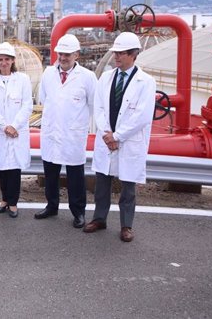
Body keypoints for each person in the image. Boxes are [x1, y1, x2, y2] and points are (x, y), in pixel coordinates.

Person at [84, 32, 156, 242]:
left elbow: (142, 116)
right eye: (115, 52)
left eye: (121, 53)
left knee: (128, 187)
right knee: (102, 183)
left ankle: (126, 225)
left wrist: (118, 136)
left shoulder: (146, 82)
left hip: (127, 141)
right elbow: (98, 107)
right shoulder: (106, 78)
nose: (116, 57)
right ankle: (99, 218)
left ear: (133, 55)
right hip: (107, 139)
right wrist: (107, 134)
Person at [35, 34, 97, 228]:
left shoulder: (87, 77)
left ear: (76, 55)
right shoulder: (48, 74)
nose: (63, 58)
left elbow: (94, 105)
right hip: (52, 133)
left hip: (73, 135)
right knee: (50, 174)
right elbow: (43, 99)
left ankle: (78, 212)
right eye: (60, 54)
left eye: (67, 54)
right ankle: (51, 206)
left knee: (75, 176)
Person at [0, 42, 32, 218]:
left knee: (15, 168)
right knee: (3, 167)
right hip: (0, 132)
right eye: (0, 59)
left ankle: (13, 203)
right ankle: (4, 199)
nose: (3, 62)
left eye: (7, 59)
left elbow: (27, 105)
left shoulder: (23, 80)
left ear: (12, 61)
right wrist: (5, 126)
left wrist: (14, 126)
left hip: (16, 131)